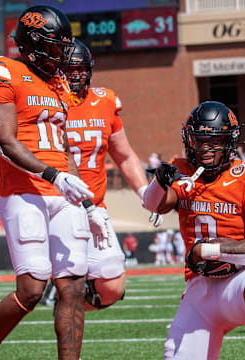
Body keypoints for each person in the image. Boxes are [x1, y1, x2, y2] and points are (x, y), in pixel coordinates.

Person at [0, 5, 101, 359]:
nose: (62, 54)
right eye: (56, 45)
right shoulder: (2, 71)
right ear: (34, 43)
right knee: (32, 289)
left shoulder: (57, 84)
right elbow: (4, 140)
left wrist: (89, 204)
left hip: (63, 192)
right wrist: (53, 174)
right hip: (23, 190)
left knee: (75, 285)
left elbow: (63, 147)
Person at [142, 101, 245, 359]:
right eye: (199, 140)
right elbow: (153, 205)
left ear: (230, 141)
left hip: (238, 281)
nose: (205, 148)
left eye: (214, 141)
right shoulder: (182, 171)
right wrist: (159, 181)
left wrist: (210, 250)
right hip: (199, 289)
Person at [38, 39, 162, 310]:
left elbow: (125, 155)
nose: (77, 75)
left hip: (95, 204)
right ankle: (62, 293)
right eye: (70, 69)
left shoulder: (104, 101)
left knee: (112, 288)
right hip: (55, 203)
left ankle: (66, 299)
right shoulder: (42, 100)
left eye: (82, 69)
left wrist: (145, 194)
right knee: (56, 280)